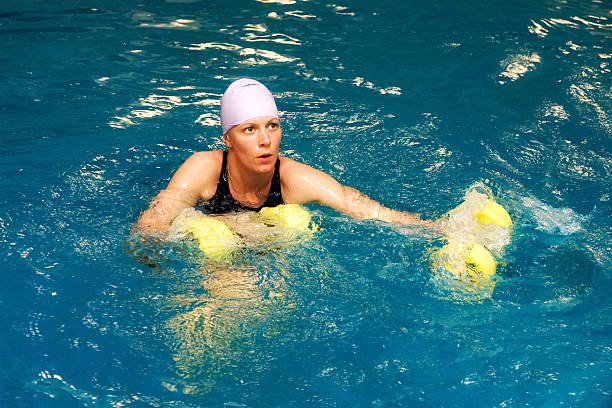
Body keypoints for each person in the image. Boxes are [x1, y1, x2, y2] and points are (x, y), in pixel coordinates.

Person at [135, 78, 435, 235]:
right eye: (249, 129)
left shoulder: (294, 178)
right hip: (214, 253)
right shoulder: (204, 167)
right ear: (227, 138)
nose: (265, 140)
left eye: (272, 126)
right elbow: (152, 225)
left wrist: (443, 228)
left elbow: (367, 210)